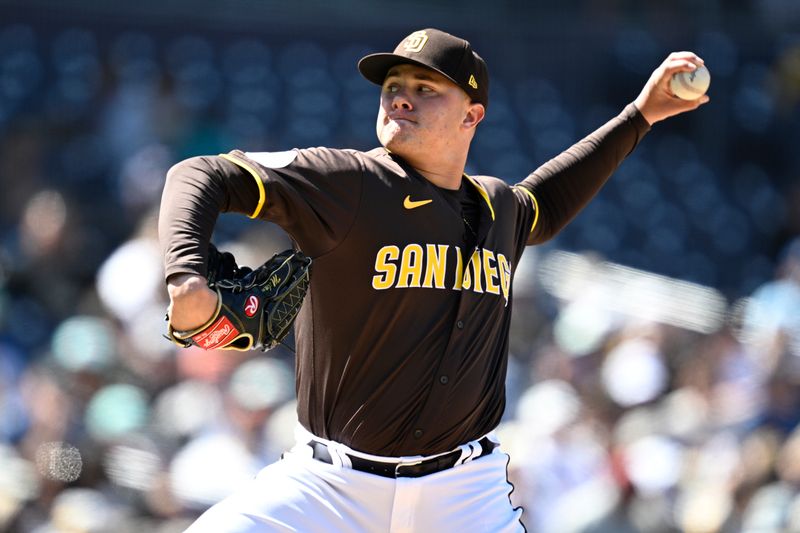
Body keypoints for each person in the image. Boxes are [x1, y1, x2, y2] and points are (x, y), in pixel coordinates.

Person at [159, 27, 708, 533]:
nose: (401, 96)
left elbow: (549, 198)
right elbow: (199, 173)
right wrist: (186, 277)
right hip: (329, 488)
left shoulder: (497, 208)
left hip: (465, 496)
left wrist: (641, 114)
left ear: (472, 116)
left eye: (426, 88)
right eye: (394, 85)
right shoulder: (347, 182)